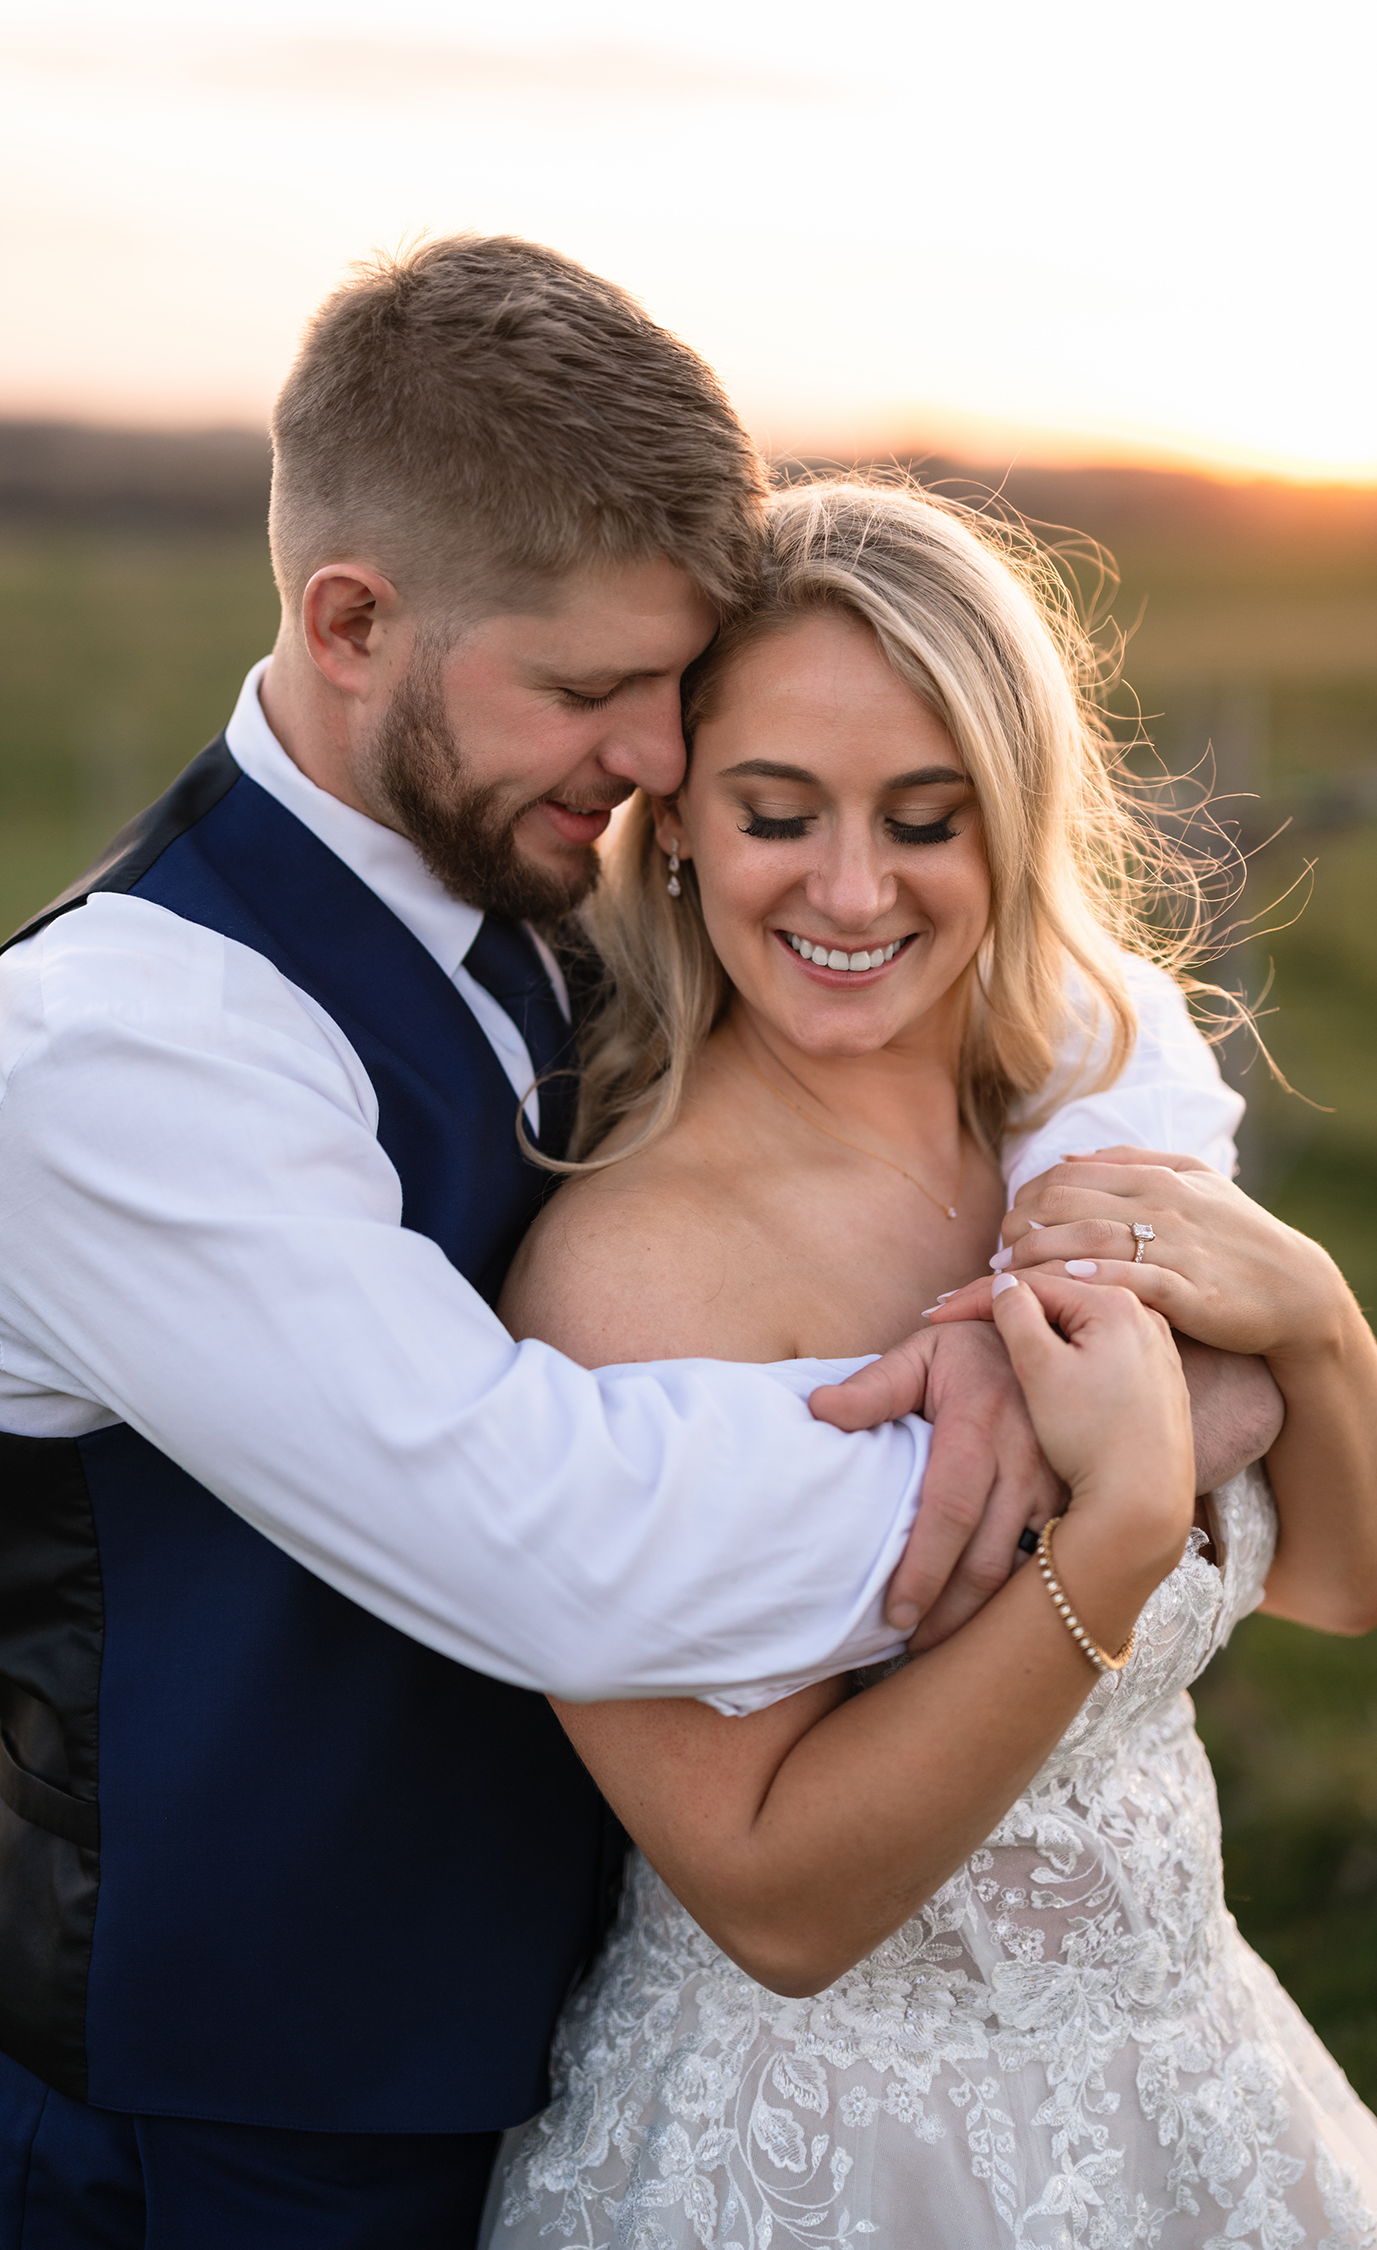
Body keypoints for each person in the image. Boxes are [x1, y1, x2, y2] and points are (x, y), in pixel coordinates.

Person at [0, 245, 1271, 2250]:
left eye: (672, 692)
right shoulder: (132, 1045)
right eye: (593, 691)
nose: (652, 760)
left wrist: (1067, 1279)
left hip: (562, 2056)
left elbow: (1088, 1021)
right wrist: (1094, 1445)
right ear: (350, 619)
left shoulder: (547, 864)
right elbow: (558, 1543)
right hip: (236, 2125)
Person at [486, 480, 1377, 2248]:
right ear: (671, 825)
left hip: (1190, 2090)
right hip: (830, 2152)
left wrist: (1320, 1319)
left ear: (1014, 821)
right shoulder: (628, 1271)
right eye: (775, 812)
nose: (849, 887)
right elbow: (773, 1903)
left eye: (925, 817)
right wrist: (1111, 1535)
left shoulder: (1070, 1120)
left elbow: (1344, 1582)